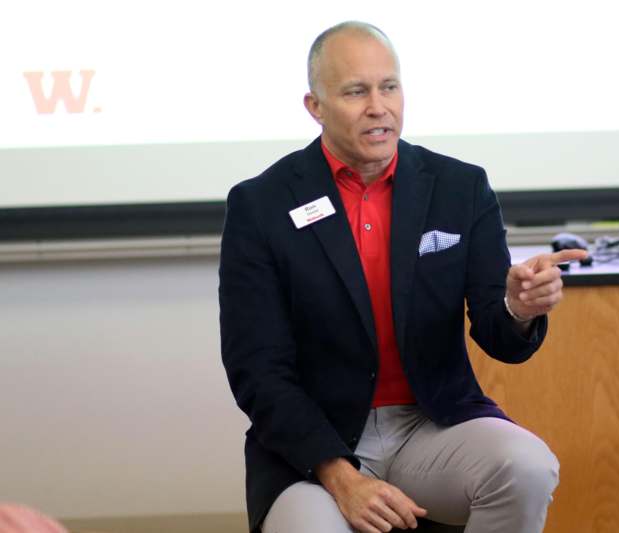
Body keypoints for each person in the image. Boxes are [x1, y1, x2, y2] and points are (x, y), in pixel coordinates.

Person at [219, 21, 587, 533]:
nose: (378, 106)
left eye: (389, 86)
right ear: (315, 106)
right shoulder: (261, 204)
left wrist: (518, 310)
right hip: (316, 445)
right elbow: (256, 370)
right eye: (355, 91)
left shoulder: (460, 186)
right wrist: (342, 478)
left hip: (430, 426)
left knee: (526, 467)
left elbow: (498, 333)